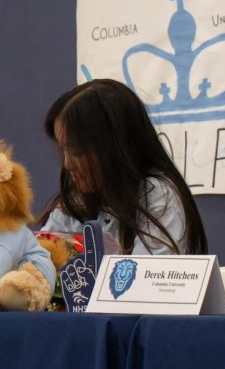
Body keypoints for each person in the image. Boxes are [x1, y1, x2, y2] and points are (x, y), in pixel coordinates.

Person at [38, 79, 208, 255]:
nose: (67, 163)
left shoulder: (157, 197)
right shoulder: (76, 201)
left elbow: (144, 279)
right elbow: (40, 266)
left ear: (114, 147)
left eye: (76, 151)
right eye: (63, 149)